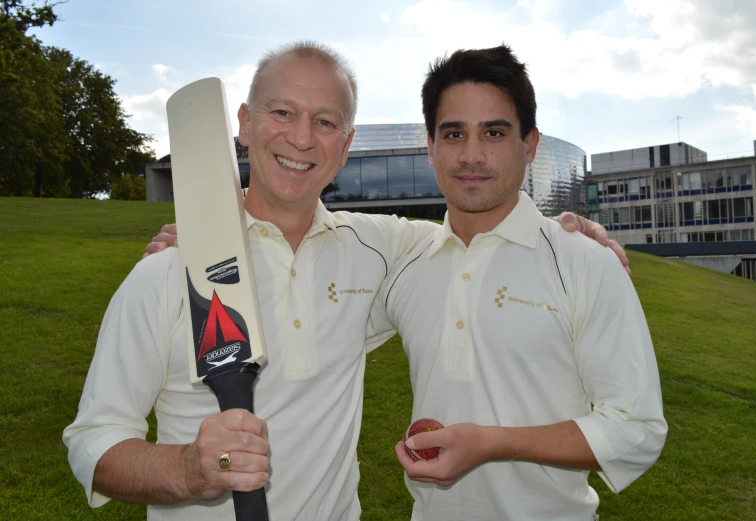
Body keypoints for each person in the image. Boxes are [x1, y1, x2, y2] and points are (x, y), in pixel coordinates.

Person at [64, 40, 627, 521]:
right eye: (282, 113)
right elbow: (93, 443)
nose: (302, 138)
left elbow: (476, 229)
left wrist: (558, 226)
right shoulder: (166, 273)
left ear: (346, 144)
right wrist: (188, 470)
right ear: (244, 124)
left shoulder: (379, 251)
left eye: (325, 121)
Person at [365, 45, 666, 520]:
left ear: (529, 145)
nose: (471, 154)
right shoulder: (406, 264)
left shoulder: (585, 262)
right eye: (454, 133)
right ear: (431, 145)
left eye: (494, 132)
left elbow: (637, 428)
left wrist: (493, 443)